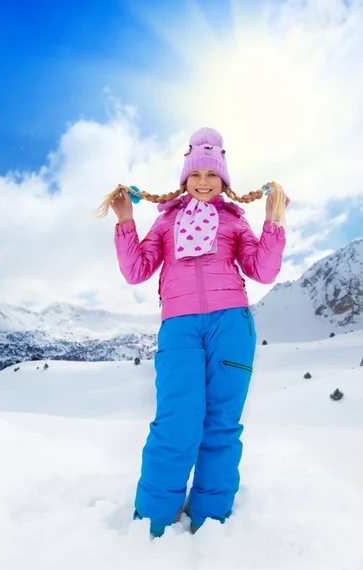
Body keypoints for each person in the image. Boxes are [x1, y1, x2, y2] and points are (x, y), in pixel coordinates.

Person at [96, 127, 288, 537]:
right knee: (177, 420)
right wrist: (126, 222)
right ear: (185, 179)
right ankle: (153, 520)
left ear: (224, 180)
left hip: (231, 324)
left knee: (221, 423)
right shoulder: (166, 223)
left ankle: (211, 519)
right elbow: (136, 271)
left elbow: (263, 270)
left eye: (211, 175)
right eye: (196, 175)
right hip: (179, 326)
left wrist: (273, 222)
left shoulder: (234, 221)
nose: (203, 183)